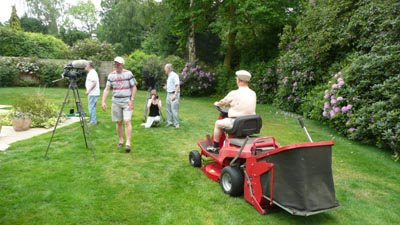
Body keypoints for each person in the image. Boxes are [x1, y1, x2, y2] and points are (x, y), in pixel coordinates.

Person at [207, 70, 257, 152]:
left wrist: (217, 103)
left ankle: (215, 147)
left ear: (239, 80)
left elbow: (222, 103)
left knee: (218, 123)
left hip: (237, 123)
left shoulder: (234, 93)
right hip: (250, 123)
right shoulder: (253, 93)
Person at [101, 56, 137, 153]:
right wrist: (103, 101)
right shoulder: (111, 76)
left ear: (122, 65)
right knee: (118, 122)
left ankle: (128, 143)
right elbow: (107, 89)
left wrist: (132, 100)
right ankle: (121, 140)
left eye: (118, 64)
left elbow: (134, 87)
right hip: (116, 101)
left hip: (127, 101)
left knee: (127, 121)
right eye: (115, 63)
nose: (116, 65)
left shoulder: (128, 74)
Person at [163, 63, 180, 128]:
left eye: (165, 68)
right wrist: (166, 86)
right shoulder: (169, 76)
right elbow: (171, 84)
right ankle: (169, 122)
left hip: (173, 94)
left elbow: (177, 85)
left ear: (168, 69)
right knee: (168, 109)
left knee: (174, 109)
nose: (164, 70)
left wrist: (175, 95)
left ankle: (176, 124)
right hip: (168, 94)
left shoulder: (174, 75)